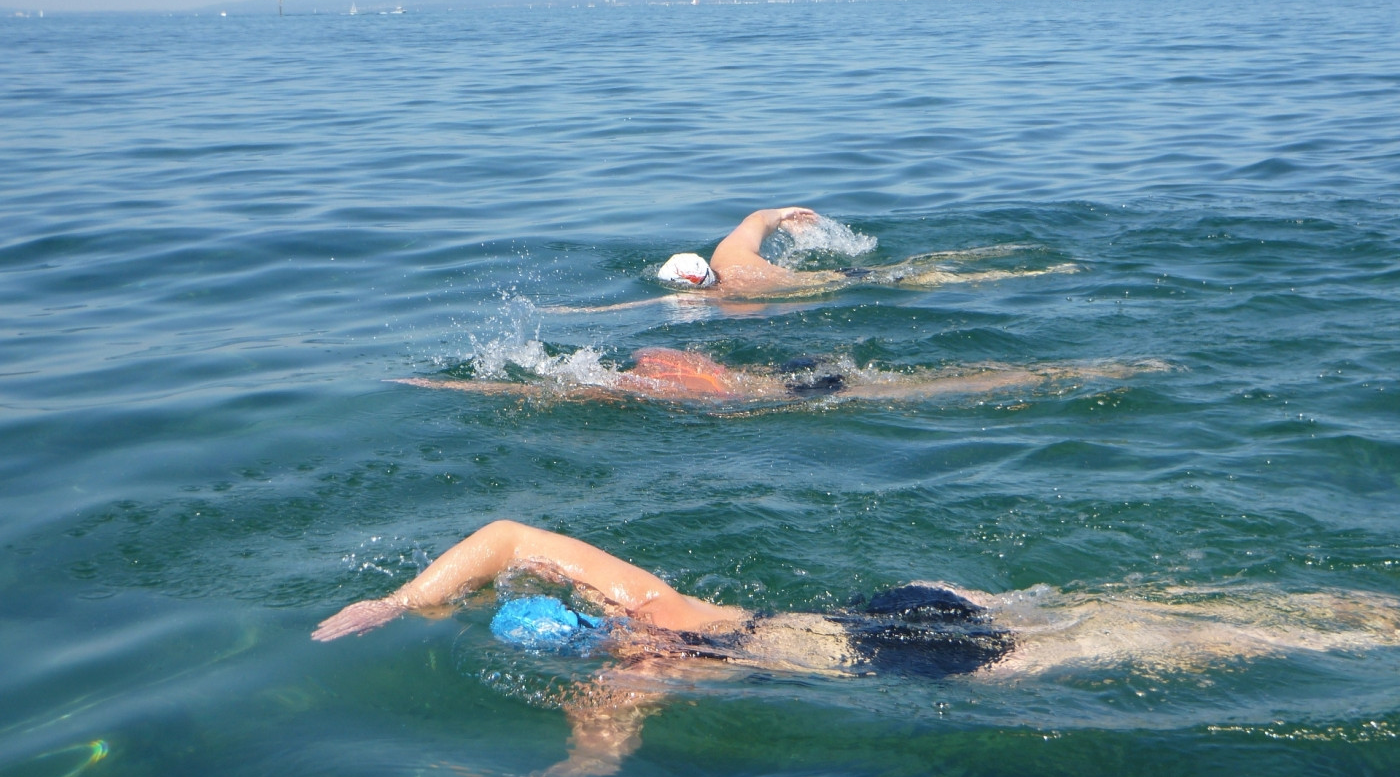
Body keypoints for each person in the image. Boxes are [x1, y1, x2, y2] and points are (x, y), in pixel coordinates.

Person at [313, 519, 1400, 777]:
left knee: (1143, 644)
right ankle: (1367, 618)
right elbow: (506, 532)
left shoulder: (632, 665)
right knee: (1117, 612)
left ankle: (1365, 640)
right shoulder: (643, 601)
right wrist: (407, 597)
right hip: (882, 604)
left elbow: (597, 769)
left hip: (888, 657)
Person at [550, 207, 1079, 312]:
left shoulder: (735, 301)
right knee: (934, 262)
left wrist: (576, 314)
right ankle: (1025, 263)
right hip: (848, 272)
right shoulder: (730, 255)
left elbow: (625, 311)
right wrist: (787, 213)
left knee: (929, 281)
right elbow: (758, 216)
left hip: (838, 285)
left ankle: (1035, 271)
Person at [395, 346, 1167, 406]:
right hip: (791, 375)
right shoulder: (663, 359)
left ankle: (1052, 376)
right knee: (918, 381)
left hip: (781, 398)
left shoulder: (638, 382)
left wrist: (456, 388)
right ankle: (1061, 370)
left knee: (926, 391)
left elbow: (540, 391)